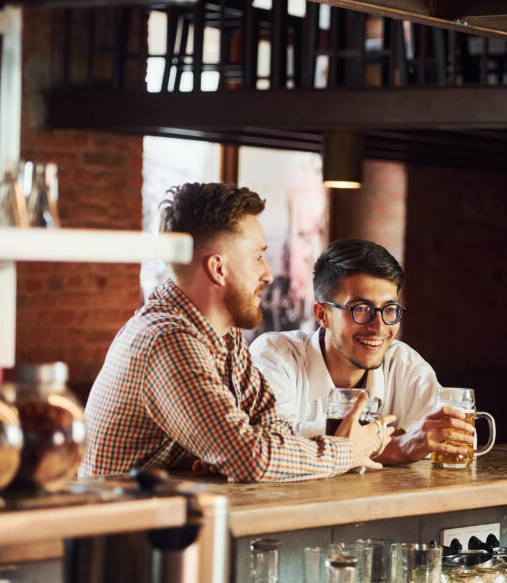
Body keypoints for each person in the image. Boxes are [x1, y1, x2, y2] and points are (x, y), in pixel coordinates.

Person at [80, 183, 384, 482]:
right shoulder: (167, 340)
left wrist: (234, 453)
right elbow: (250, 457)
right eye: (257, 257)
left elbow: (270, 429)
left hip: (171, 519)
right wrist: (345, 451)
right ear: (218, 269)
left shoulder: (223, 336)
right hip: (120, 527)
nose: (268, 273)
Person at [250, 239, 475, 465]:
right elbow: (269, 445)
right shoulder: (275, 355)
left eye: (389, 310)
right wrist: (396, 447)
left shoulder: (404, 363)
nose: (379, 327)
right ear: (322, 315)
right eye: (361, 309)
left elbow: (457, 439)